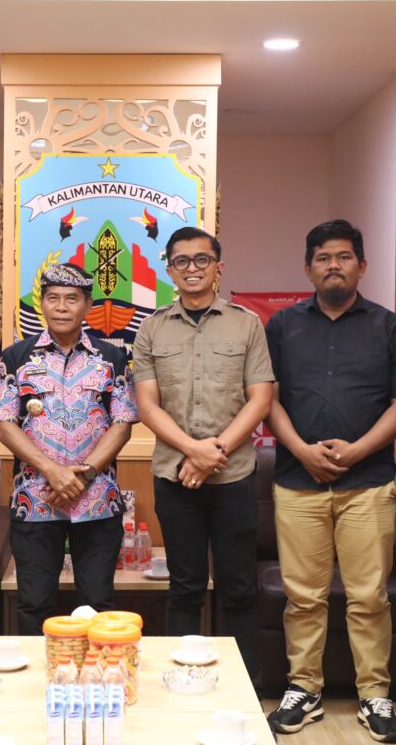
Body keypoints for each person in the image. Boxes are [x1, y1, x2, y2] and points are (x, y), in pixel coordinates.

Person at [263, 220, 396, 742]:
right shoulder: (281, 326)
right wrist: (302, 451)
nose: (333, 266)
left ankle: (374, 694)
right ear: (308, 268)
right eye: (323, 258)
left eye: (344, 257)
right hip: (296, 481)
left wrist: (358, 450)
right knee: (303, 597)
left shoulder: (390, 327)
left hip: (367, 482)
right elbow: (267, 399)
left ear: (361, 266)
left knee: (369, 596)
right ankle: (304, 689)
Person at [133, 226, 273, 684]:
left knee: (238, 589)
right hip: (174, 477)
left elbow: (260, 399)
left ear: (218, 267)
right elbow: (148, 405)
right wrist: (194, 451)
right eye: (181, 261)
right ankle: (182, 684)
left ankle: (246, 689)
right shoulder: (151, 328)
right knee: (185, 587)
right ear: (169, 270)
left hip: (234, 477)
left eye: (201, 260)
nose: (191, 268)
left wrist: (214, 452)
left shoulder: (246, 323)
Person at [0, 263, 138, 634]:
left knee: (98, 604)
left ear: (87, 305)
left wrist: (83, 475)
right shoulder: (16, 357)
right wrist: (52, 470)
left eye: (72, 299)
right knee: (34, 603)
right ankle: (42, 672)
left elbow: (123, 424)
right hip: (36, 500)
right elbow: (3, 423)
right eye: (53, 298)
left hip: (97, 500)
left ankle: (97, 669)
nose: (62, 307)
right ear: (42, 304)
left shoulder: (112, 358)